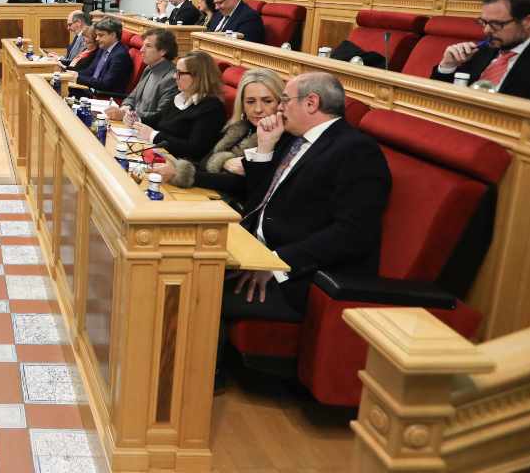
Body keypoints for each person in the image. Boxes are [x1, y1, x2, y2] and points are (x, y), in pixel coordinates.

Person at [224, 71, 390, 320]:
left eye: (284, 100)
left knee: (197, 292)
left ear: (311, 103)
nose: (279, 108)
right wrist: (265, 147)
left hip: (302, 275)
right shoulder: (295, 139)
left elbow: (353, 233)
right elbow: (259, 200)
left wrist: (276, 262)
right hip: (255, 252)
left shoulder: (356, 150)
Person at [151, 68, 285, 206]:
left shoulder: (280, 137)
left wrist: (181, 174)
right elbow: (205, 162)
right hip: (209, 197)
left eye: (267, 101)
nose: (258, 109)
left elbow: (241, 184)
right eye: (250, 102)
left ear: (280, 103)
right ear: (243, 105)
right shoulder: (238, 128)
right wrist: (175, 167)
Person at [431, 0, 530, 103]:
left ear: (528, 21)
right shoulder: (483, 49)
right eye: (484, 22)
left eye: (496, 23)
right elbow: (436, 100)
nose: (486, 30)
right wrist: (448, 66)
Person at [130, 51, 225, 163]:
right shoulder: (180, 96)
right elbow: (158, 119)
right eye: (176, 71)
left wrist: (154, 135)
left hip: (177, 166)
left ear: (198, 77)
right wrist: (136, 119)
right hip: (158, 154)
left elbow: (194, 149)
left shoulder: (212, 108)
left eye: (179, 73)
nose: (175, 76)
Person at [105, 28, 178, 124]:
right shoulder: (149, 68)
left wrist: (127, 115)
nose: (141, 50)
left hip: (146, 131)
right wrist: (125, 108)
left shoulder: (172, 78)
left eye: (148, 46)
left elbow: (160, 115)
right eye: (143, 45)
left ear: (163, 51)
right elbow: (132, 97)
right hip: (130, 125)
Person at [74, 17, 133, 94]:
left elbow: (105, 84)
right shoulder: (103, 48)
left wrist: (77, 78)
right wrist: (73, 74)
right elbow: (90, 70)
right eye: (97, 35)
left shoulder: (120, 55)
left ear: (113, 35)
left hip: (104, 96)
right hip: (91, 90)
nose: (97, 39)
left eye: (101, 35)